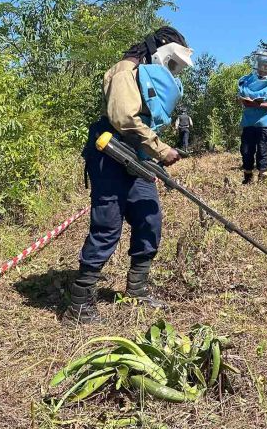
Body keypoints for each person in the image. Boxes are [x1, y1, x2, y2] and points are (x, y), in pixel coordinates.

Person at [65, 26, 194, 324]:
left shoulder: (150, 75)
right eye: (173, 61)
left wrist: (154, 152)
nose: (174, 70)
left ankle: (137, 288)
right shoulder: (126, 70)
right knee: (107, 225)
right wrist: (161, 149)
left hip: (138, 159)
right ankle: (80, 302)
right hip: (111, 154)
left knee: (149, 217)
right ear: (160, 49)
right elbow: (124, 118)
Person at [237, 49, 267, 185]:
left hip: (265, 124)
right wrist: (243, 101)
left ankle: (263, 178)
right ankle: (248, 177)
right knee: (246, 151)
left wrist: (259, 105)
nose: (265, 67)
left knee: (263, 151)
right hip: (248, 122)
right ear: (257, 63)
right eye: (263, 64)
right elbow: (239, 98)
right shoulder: (246, 81)